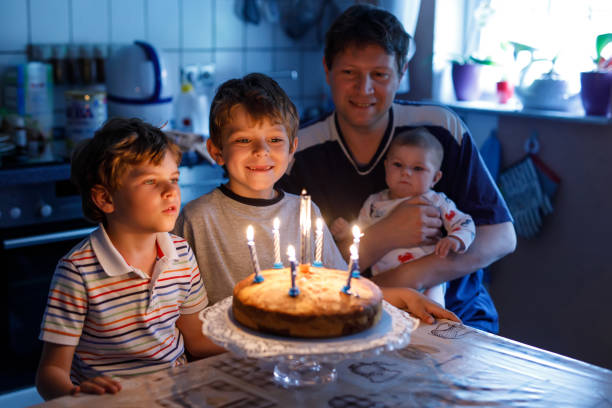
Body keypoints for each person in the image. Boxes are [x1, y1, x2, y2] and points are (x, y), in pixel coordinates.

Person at [278, 4, 516, 333]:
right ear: (327, 69)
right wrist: (385, 235)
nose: (364, 89)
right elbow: (297, 270)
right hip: (354, 319)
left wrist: (408, 277)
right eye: (349, 73)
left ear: (401, 74)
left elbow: (500, 236)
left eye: (380, 75)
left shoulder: (440, 128)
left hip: (458, 316)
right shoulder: (298, 153)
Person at [173, 73, 459, 324]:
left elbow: (340, 289)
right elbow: (176, 311)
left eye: (274, 140)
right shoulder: (197, 219)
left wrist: (401, 296)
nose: (261, 151)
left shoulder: (305, 213)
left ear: (292, 149)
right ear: (216, 151)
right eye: (244, 140)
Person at [36, 118, 224, 401]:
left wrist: (261, 343)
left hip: (175, 396)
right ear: (105, 199)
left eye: (173, 179)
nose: (170, 191)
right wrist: (75, 394)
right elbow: (50, 373)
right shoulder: (78, 272)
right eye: (150, 181)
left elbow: (196, 339)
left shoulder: (181, 254)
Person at [332, 127, 476, 307]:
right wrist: (346, 232)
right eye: (398, 165)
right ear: (386, 166)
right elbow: (362, 232)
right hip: (388, 284)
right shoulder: (373, 202)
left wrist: (456, 238)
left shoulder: (436, 201)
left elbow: (466, 223)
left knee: (431, 315)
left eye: (418, 168)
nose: (406, 173)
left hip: (428, 282)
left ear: (435, 178)